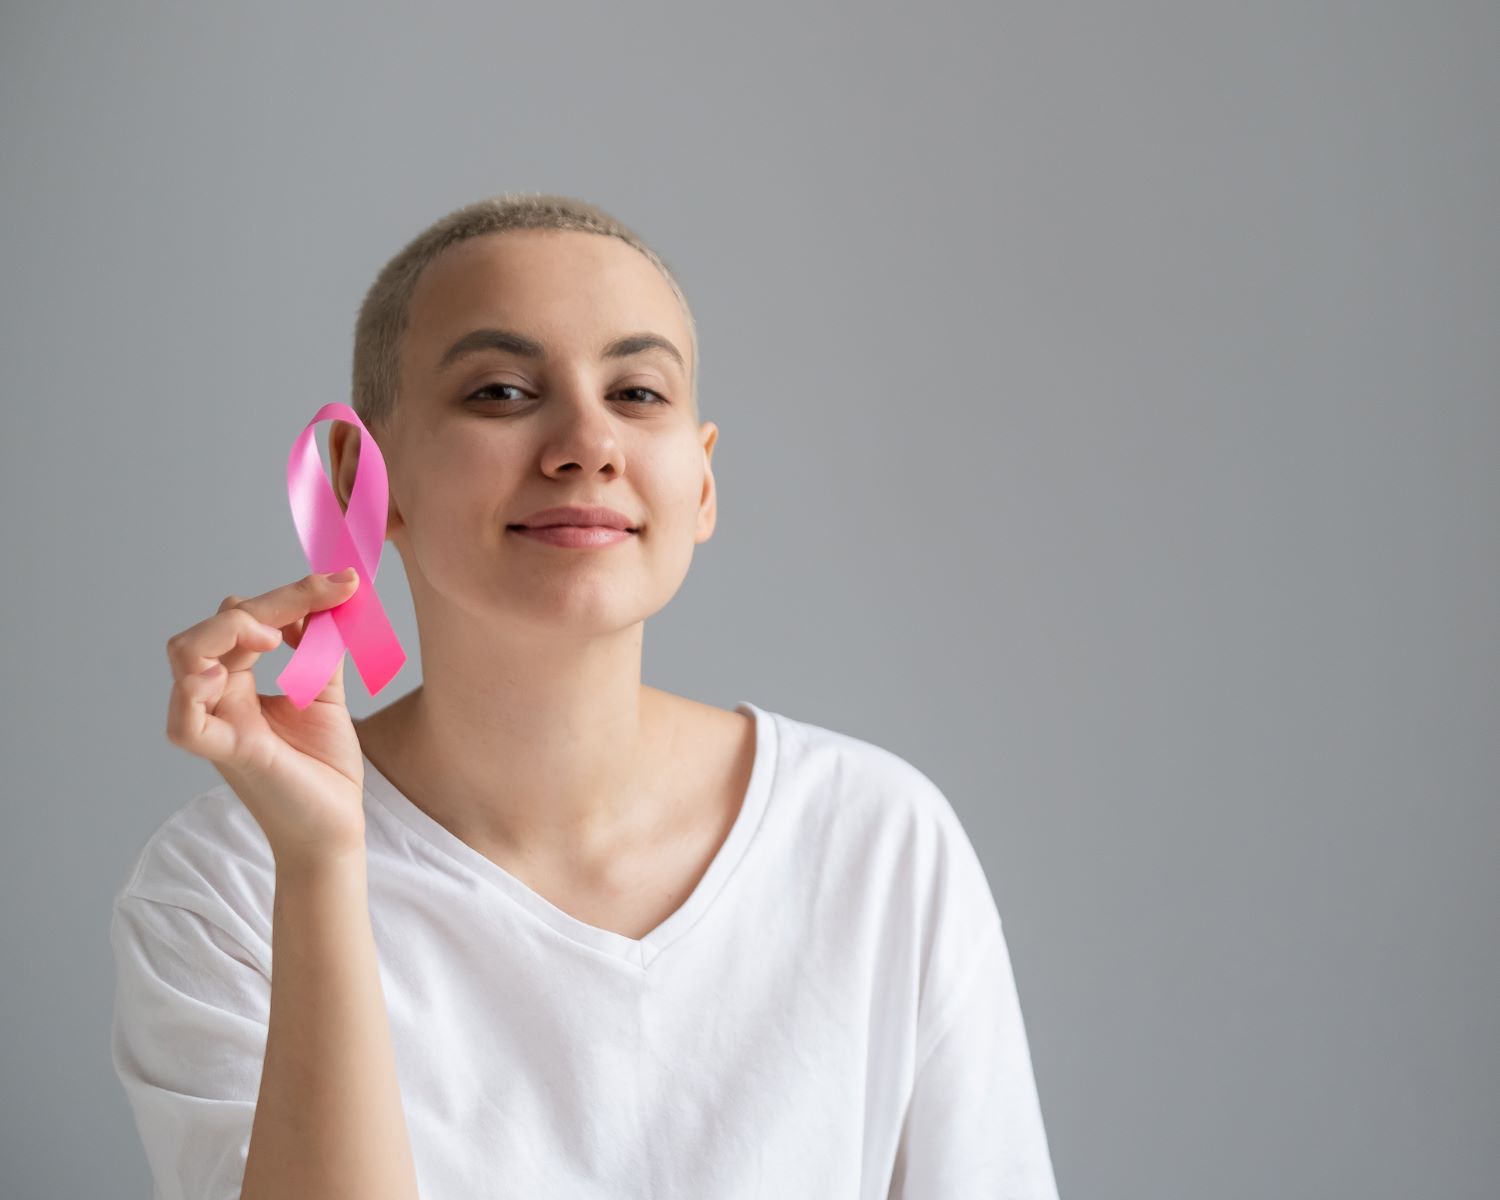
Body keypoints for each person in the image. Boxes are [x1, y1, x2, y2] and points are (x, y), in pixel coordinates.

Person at [110, 191, 1061, 1199]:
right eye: (503, 393)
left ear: (700, 484)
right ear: (360, 481)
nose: (586, 444)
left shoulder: (878, 840)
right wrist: (322, 866)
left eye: (639, 394)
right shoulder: (221, 890)